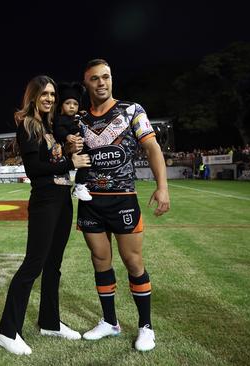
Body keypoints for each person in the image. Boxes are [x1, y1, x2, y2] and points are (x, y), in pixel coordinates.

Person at [76, 59, 170, 352]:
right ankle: (109, 322)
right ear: (87, 84)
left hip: (123, 200)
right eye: (95, 78)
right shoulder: (79, 119)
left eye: (106, 77)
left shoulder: (132, 110)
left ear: (112, 79)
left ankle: (146, 327)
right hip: (90, 202)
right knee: (100, 261)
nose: (101, 82)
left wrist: (162, 187)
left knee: (133, 262)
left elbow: (152, 147)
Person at [0, 75, 91, 355]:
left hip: (62, 199)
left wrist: (68, 151)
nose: (50, 98)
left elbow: (54, 158)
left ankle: (50, 322)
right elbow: (34, 169)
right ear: (34, 96)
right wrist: (68, 161)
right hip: (45, 200)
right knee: (33, 265)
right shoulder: (28, 125)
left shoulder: (51, 126)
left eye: (52, 94)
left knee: (53, 265)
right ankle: (7, 330)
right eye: (44, 94)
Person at [54, 82, 92, 201]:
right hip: (70, 148)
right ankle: (79, 186)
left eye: (75, 104)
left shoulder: (77, 117)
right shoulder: (59, 119)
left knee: (87, 164)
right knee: (84, 163)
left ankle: (82, 185)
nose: (71, 106)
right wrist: (67, 136)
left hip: (81, 145)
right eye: (68, 103)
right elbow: (58, 130)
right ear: (61, 105)